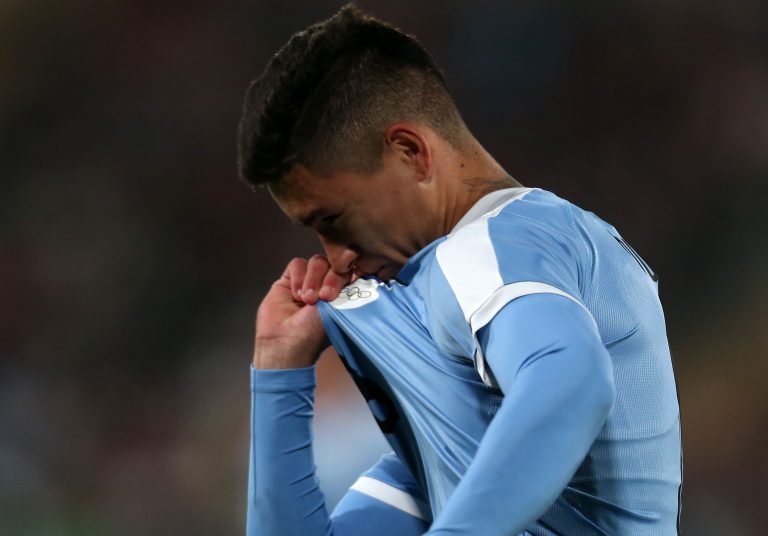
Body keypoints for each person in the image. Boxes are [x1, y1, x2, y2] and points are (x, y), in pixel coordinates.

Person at [238, 4, 682, 535]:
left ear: (410, 153)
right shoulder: (474, 403)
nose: (337, 258)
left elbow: (572, 376)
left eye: (334, 219)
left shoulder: (488, 247)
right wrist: (278, 368)